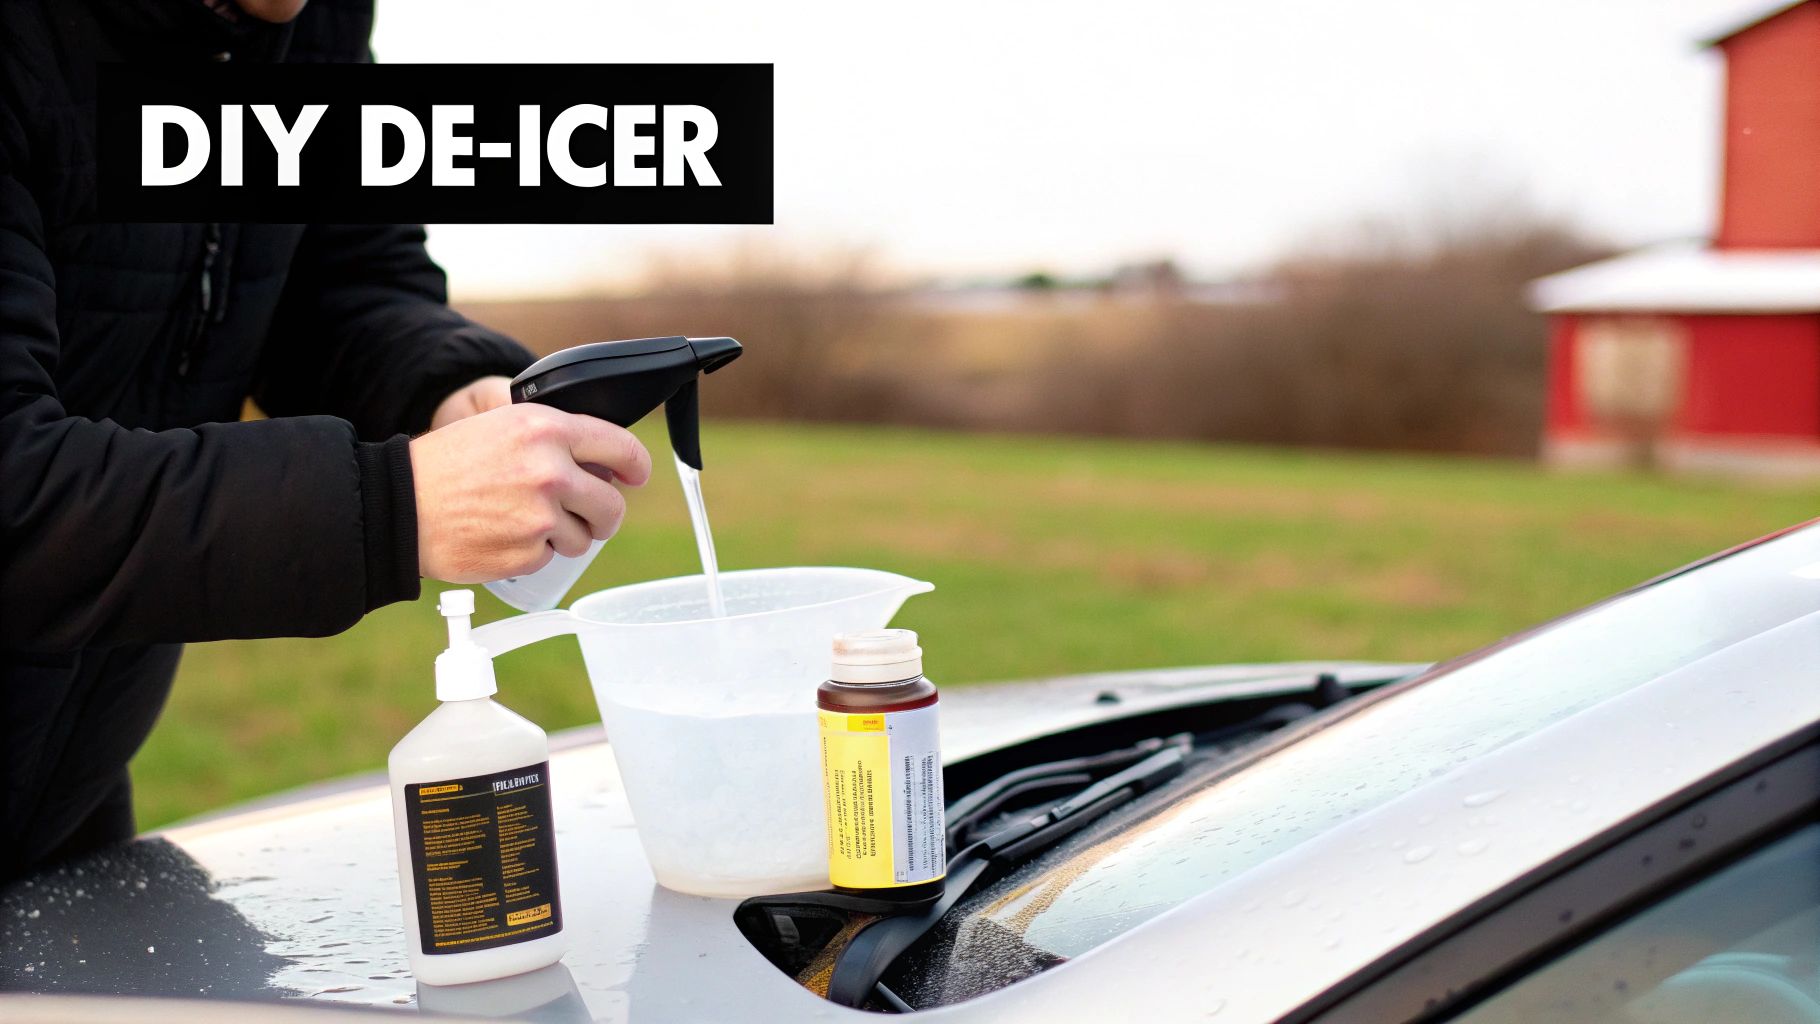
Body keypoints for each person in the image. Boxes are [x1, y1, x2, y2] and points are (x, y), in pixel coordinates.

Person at [0, 0, 649, 877]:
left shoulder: (306, 22)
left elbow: (335, 282)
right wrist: (395, 505)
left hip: (62, 795)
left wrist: (445, 388)